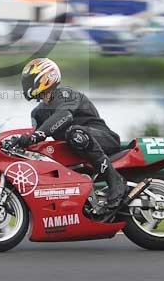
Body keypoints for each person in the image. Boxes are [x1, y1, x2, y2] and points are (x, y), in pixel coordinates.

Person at [10, 57, 128, 208]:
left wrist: (36, 136)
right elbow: (35, 141)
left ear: (46, 77)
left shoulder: (67, 94)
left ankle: (116, 181)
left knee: (74, 133)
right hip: (76, 149)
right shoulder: (37, 113)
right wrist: (17, 142)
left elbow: (64, 115)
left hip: (104, 139)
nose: (27, 84)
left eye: (30, 80)